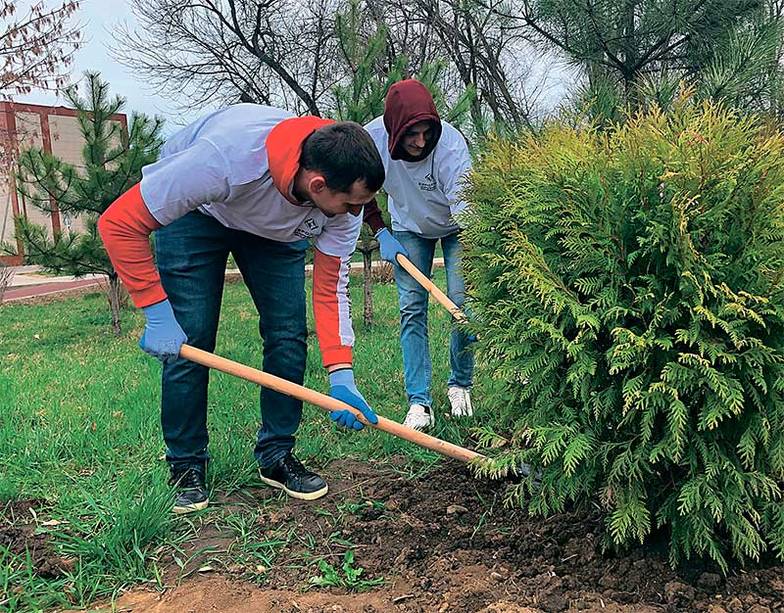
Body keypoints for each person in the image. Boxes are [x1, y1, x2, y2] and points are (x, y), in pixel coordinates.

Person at [98, 104, 385, 514]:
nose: (356, 214)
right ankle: (186, 465)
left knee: (288, 335)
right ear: (318, 185)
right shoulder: (223, 157)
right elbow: (120, 223)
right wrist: (156, 310)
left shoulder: (341, 201)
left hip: (277, 232)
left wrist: (342, 374)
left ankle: (276, 455)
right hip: (200, 214)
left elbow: (330, 289)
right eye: (351, 204)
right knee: (192, 336)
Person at [362, 80, 474, 432]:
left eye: (427, 133)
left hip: (458, 226)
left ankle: (460, 385)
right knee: (411, 307)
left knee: (460, 304)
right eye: (412, 134)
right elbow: (357, 182)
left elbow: (468, 214)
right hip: (408, 228)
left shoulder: (452, 151)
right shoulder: (371, 140)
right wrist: (381, 230)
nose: (421, 142)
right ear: (394, 127)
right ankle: (419, 402)